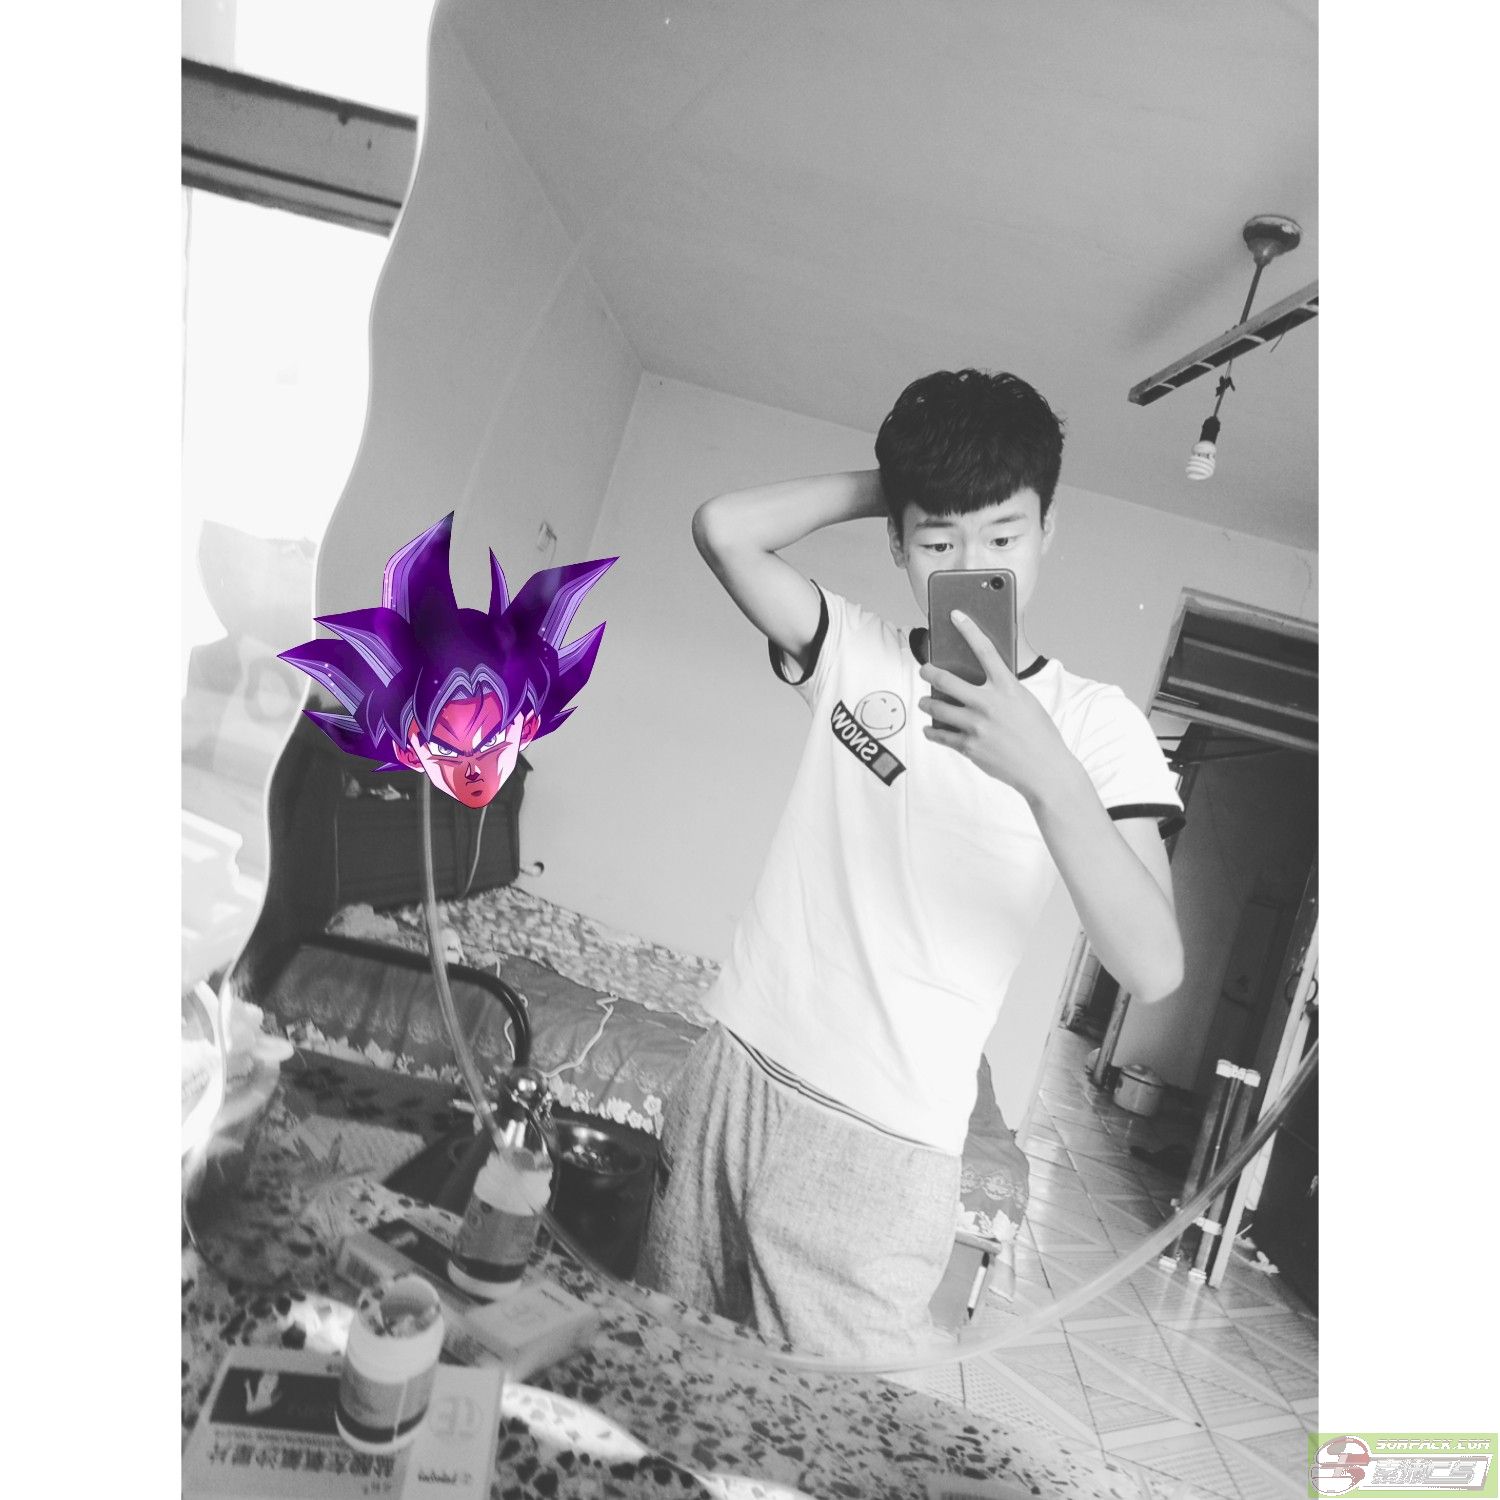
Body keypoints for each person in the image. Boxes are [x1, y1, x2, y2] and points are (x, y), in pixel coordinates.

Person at [636, 369, 1185, 1358]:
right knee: (662, 1363)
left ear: (1049, 529)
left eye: (1005, 537)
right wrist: (898, 485)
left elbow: (1152, 966)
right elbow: (723, 529)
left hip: (884, 1141)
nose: (974, 566)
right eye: (938, 542)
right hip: (733, 1069)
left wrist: (1048, 775)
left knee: (826, 1428)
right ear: (897, 541)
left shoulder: (1098, 727)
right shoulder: (856, 649)